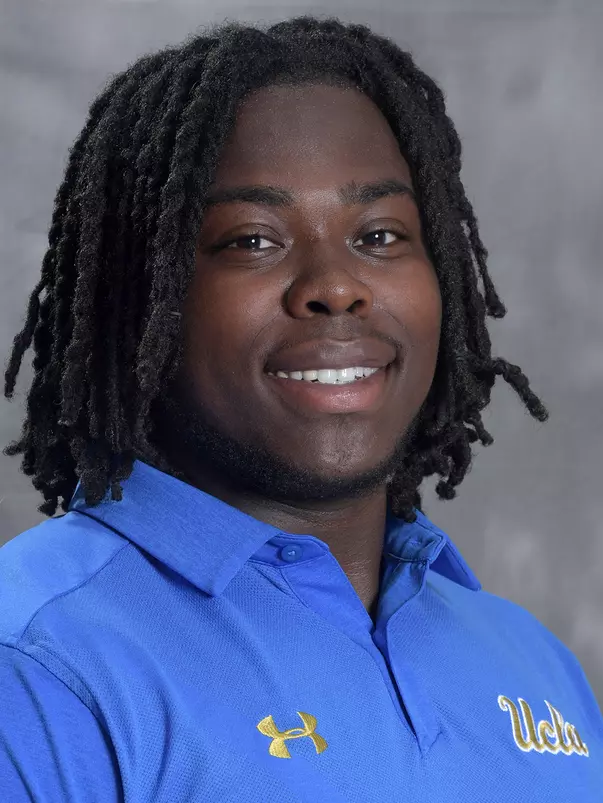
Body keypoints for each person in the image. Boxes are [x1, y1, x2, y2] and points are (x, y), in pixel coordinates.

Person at [1, 15, 601, 802]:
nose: (335, 284)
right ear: (140, 298)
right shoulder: (38, 662)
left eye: (380, 233)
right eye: (251, 240)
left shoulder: (531, 662)